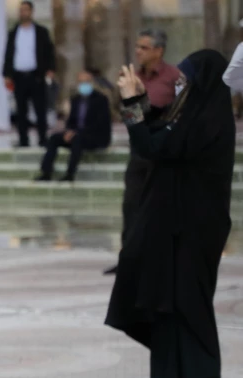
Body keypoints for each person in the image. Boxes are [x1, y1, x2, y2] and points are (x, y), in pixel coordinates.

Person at [106, 51, 234, 378]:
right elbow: (158, 131)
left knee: (190, 305)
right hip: (177, 226)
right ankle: (190, 375)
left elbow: (152, 146)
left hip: (193, 230)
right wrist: (138, 100)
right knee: (166, 300)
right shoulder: (195, 115)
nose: (181, 83)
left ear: (204, 82)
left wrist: (133, 101)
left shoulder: (208, 121)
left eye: (186, 78)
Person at [105, 29, 180, 275]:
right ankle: (129, 258)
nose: (138, 51)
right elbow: (131, 117)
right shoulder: (133, 76)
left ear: (159, 51)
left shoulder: (175, 77)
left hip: (164, 152)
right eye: (136, 47)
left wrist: (136, 100)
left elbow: (161, 114)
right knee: (132, 206)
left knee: (161, 210)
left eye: (144, 47)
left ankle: (160, 261)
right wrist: (128, 97)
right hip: (139, 152)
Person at [35, 70, 111, 182]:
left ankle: (70, 174)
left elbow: (99, 124)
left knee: (77, 139)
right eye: (81, 82)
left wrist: (77, 132)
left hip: (95, 137)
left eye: (86, 82)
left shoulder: (101, 99)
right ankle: (46, 172)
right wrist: (68, 131)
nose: (83, 85)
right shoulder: (75, 100)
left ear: (91, 83)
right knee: (54, 138)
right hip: (77, 134)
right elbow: (71, 121)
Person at [2, 1, 56, 147]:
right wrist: (6, 74)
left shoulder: (41, 32)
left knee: (40, 109)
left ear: (31, 12)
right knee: (21, 110)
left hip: (36, 76)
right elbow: (8, 54)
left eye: (26, 10)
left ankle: (43, 139)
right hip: (19, 76)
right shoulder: (13, 33)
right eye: (21, 10)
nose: (23, 13)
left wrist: (50, 69)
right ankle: (23, 140)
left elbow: (49, 52)